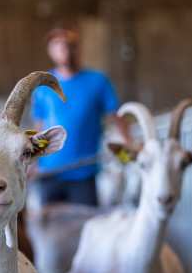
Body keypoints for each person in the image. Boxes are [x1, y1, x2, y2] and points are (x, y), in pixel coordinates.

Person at [30, 25, 131, 206]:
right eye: (57, 45)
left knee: (86, 228)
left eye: (69, 45)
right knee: (50, 231)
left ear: (77, 48)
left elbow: (116, 116)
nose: (64, 50)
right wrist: (32, 160)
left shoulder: (98, 81)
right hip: (50, 172)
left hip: (83, 173)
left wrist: (129, 147)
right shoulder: (42, 85)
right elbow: (39, 125)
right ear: (50, 51)